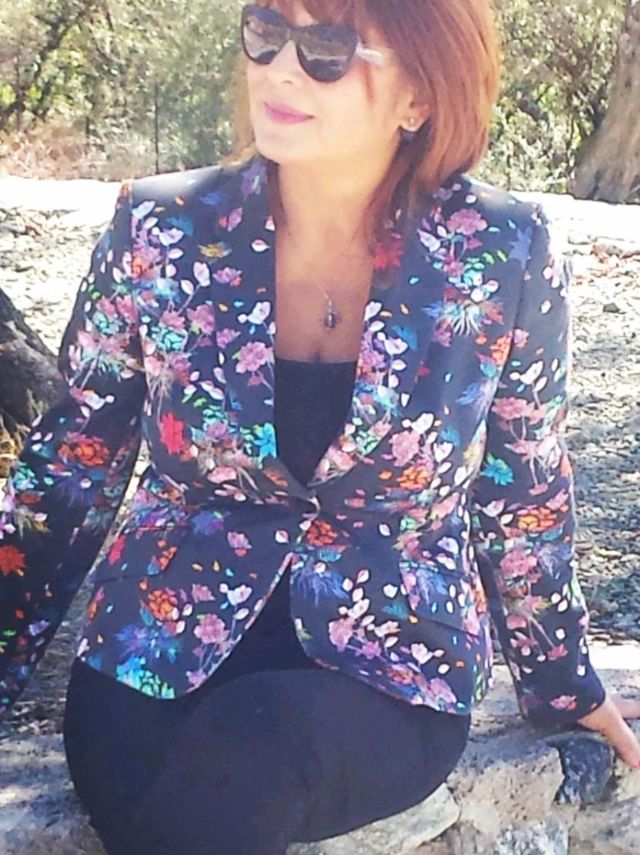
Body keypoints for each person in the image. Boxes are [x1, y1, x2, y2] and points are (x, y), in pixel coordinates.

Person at [1, 1, 639, 852]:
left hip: (392, 666)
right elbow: (70, 465)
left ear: (419, 96)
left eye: (327, 49)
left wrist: (563, 681)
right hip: (156, 651)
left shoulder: (505, 253)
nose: (281, 69)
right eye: (267, 34)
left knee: (253, 747)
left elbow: (524, 487)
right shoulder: (159, 230)